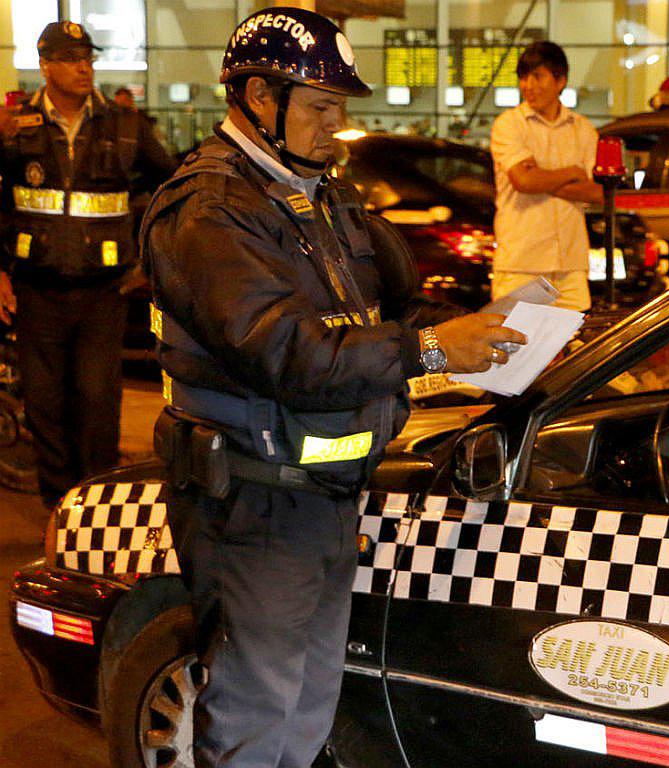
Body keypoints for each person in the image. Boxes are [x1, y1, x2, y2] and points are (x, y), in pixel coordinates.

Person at [140, 8, 527, 766]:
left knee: (310, 700)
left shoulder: (322, 196)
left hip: (324, 492)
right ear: (258, 97)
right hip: (254, 501)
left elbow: (394, 304)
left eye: (341, 108)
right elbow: (290, 354)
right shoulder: (210, 211)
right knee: (258, 708)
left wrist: (483, 328)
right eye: (320, 106)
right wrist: (430, 350)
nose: (336, 126)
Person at [0, 21, 178, 506]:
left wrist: (149, 260)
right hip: (37, 289)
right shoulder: (15, 128)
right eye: (71, 58)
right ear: (45, 65)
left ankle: (96, 509)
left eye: (88, 57)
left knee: (97, 405)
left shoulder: (123, 125)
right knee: (44, 407)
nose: (84, 66)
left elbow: (175, 190)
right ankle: (58, 508)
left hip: (105, 292)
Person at [489, 41, 602, 312]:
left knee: (576, 349)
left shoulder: (583, 130)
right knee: (517, 349)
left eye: (537, 76)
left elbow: (597, 192)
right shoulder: (509, 125)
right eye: (523, 77)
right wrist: (572, 174)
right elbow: (523, 182)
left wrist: (541, 177)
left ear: (560, 80)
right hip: (521, 264)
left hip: (571, 265)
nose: (528, 85)